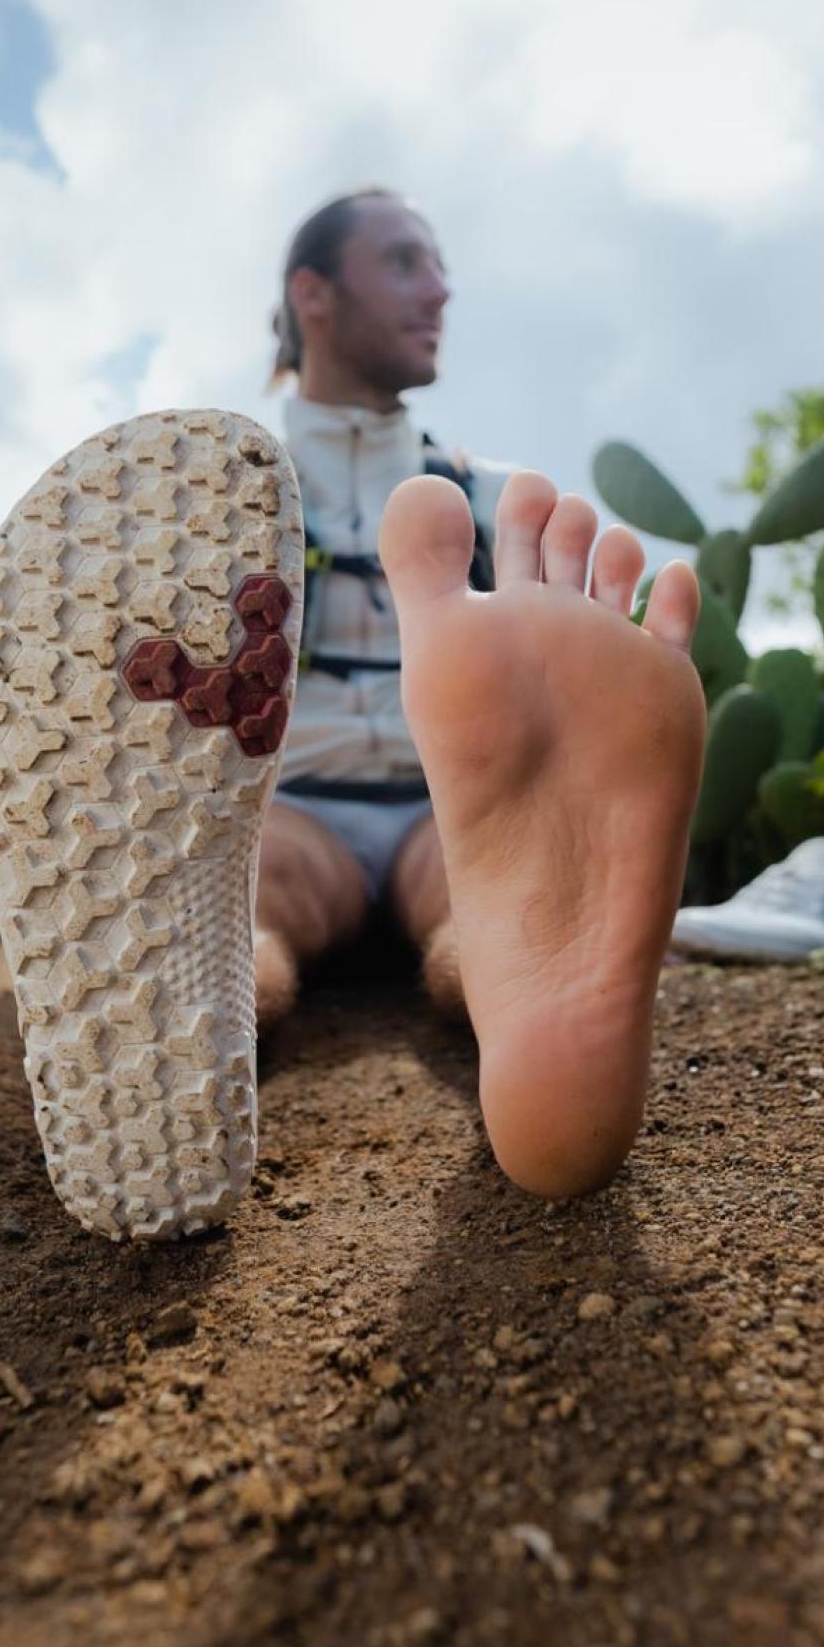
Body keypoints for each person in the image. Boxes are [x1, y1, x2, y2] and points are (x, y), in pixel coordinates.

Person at [253, 188, 705, 1195]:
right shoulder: (224, 500)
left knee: (474, 893)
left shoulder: (494, 505)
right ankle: (189, 1007)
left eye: (440, 266)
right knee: (253, 900)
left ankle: (539, 963)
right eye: (404, 262)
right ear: (312, 294)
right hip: (292, 804)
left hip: (448, 808)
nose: (441, 290)